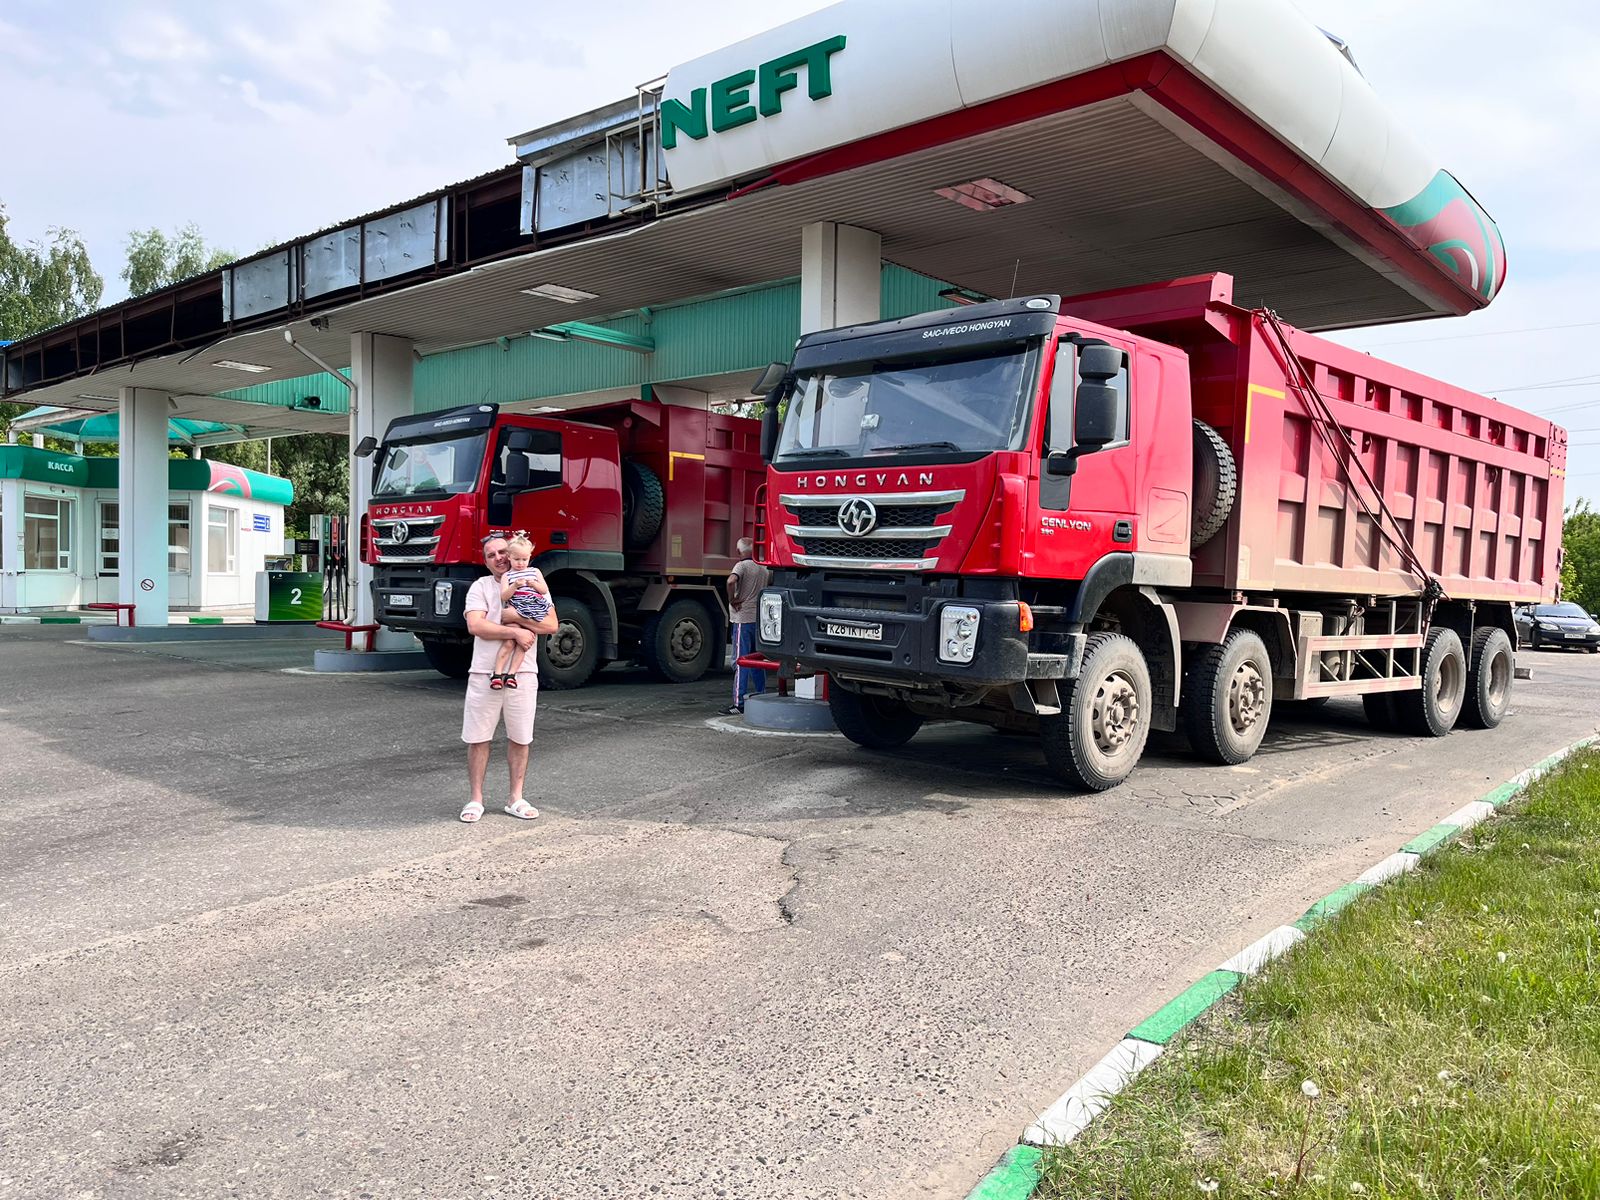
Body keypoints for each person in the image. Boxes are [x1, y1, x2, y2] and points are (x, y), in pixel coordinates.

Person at [460, 534, 559, 824]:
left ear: (514, 552)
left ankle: (515, 797)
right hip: (483, 672)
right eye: (491, 555)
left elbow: (551, 624)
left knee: (520, 737)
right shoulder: (480, 586)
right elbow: (475, 624)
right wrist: (514, 632)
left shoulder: (534, 581)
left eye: (502, 551)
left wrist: (517, 619)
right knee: (478, 738)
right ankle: (475, 799)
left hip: (523, 674)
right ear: (485, 561)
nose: (499, 558)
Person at [489, 534, 553, 690]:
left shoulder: (535, 572)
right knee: (510, 642)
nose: (521, 563)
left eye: (524, 559)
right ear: (509, 557)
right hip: (516, 607)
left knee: (523, 645)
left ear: (530, 557)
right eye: (517, 559)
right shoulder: (508, 575)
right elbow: (504, 596)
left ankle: (512, 675)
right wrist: (515, 586)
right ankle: (497, 674)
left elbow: (544, 590)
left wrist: (534, 585)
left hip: (533, 609)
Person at [725, 537, 771, 715]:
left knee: (741, 660)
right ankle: (761, 694)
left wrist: (732, 599)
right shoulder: (763, 567)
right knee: (757, 659)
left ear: (739, 552)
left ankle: (738, 703)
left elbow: (730, 581)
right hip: (758, 619)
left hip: (742, 618)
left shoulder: (741, 566)